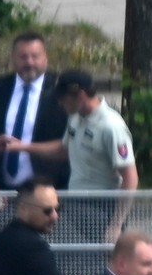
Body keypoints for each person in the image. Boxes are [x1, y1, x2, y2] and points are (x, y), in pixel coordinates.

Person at [0, 30, 68, 193]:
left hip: (48, 191)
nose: (29, 62)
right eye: (23, 57)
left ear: (45, 57)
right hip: (2, 190)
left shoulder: (60, 91)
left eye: (35, 56)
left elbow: (68, 143)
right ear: (13, 59)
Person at [58, 68, 138, 210]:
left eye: (63, 98)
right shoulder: (75, 117)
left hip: (101, 205)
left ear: (81, 95)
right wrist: (21, 147)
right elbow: (62, 150)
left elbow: (130, 177)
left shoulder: (111, 126)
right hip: (75, 200)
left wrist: (117, 223)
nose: (60, 103)